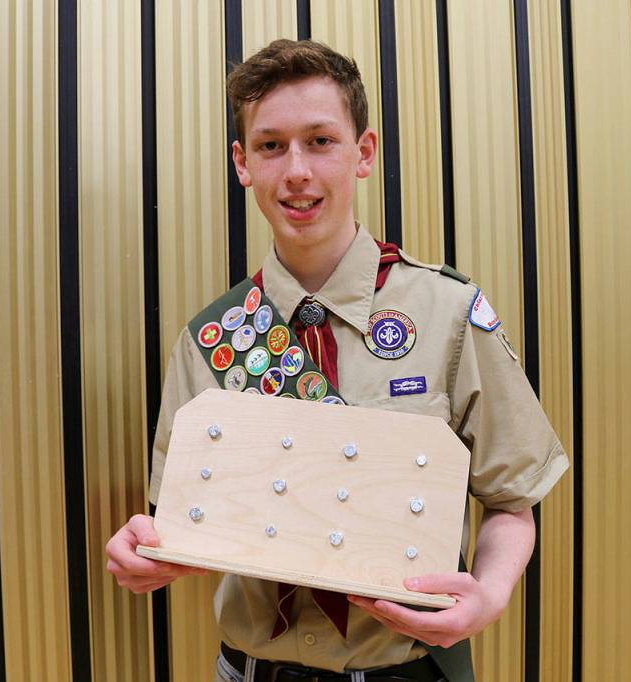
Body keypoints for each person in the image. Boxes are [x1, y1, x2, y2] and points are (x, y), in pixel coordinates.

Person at [106, 39, 568, 682]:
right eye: (271, 146)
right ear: (243, 164)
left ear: (364, 153)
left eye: (320, 140)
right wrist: (147, 554)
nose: (296, 170)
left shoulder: (449, 316)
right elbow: (183, 523)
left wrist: (487, 598)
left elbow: (512, 502)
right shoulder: (210, 339)